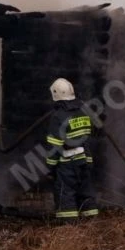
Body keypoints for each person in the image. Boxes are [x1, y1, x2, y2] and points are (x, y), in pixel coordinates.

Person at [45, 78, 99, 220]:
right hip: (84, 159)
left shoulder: (57, 116)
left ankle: (69, 228)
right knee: (86, 192)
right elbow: (89, 136)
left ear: (55, 94)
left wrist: (50, 167)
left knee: (65, 194)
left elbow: (54, 145)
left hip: (67, 163)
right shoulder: (84, 112)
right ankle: (92, 223)